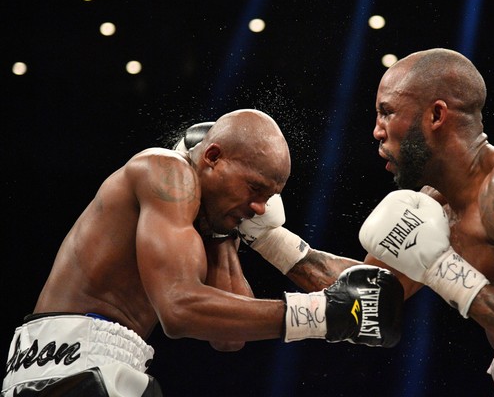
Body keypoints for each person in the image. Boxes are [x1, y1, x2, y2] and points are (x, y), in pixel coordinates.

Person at [238, 50, 494, 395]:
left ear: (436, 114)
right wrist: (264, 235)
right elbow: (369, 298)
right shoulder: (433, 205)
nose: (377, 131)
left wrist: (440, 268)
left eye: (386, 112)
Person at [2, 109, 404, 397]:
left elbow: (228, 340)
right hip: (70, 365)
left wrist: (238, 235)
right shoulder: (165, 171)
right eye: (255, 189)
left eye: (270, 197)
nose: (262, 207)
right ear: (212, 157)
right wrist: (325, 314)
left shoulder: (203, 220)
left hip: (92, 367)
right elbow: (178, 310)